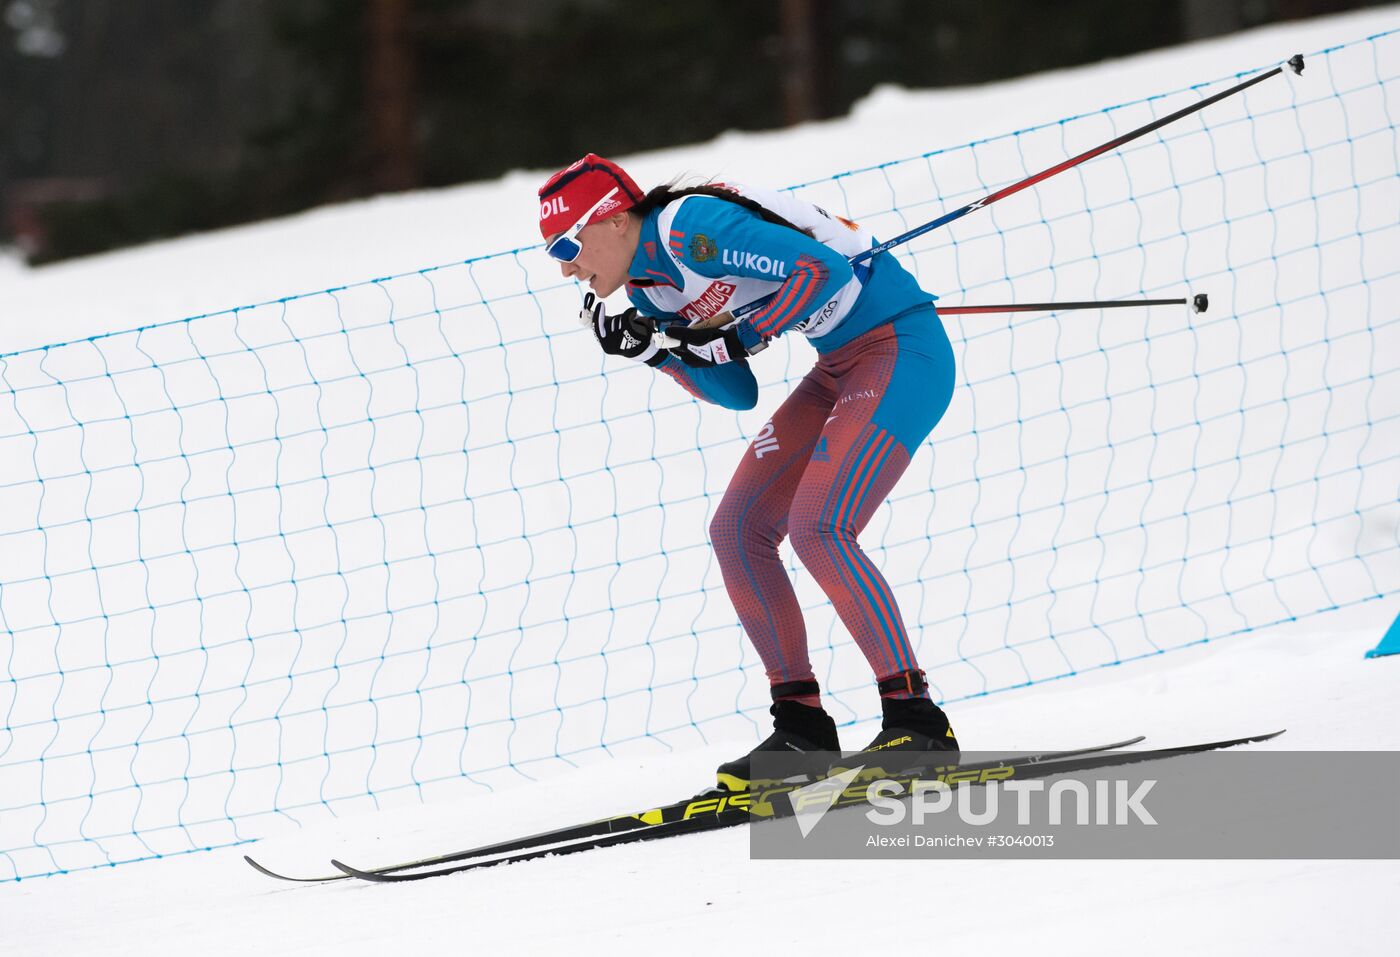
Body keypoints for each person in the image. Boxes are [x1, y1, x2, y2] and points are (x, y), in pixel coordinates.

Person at [538, 154, 959, 791]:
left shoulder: (689, 227)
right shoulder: (652, 287)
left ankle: (917, 721)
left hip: (899, 349)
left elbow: (824, 270)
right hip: (837, 367)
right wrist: (655, 350)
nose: (568, 267)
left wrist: (730, 337)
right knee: (736, 529)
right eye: (555, 255)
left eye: (569, 245)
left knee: (819, 528)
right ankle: (802, 728)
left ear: (618, 220)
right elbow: (737, 391)